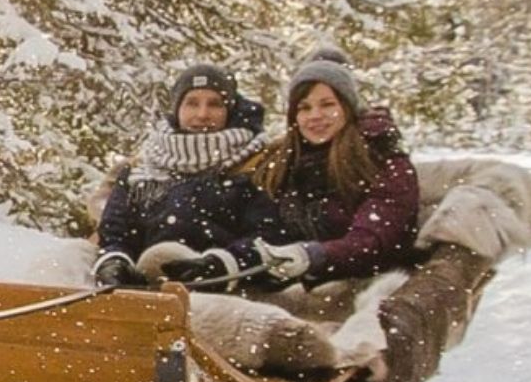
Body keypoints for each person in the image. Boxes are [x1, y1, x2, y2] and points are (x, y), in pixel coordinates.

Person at [136, 45, 420, 288]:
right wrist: (225, 261)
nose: (315, 116)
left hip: (360, 283)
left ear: (347, 106)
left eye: (327, 105)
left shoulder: (384, 161)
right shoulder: (282, 159)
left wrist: (312, 255)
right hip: (290, 281)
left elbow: (372, 240)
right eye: (304, 108)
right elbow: (254, 219)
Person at [90, 61, 265, 287]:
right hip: (138, 283)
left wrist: (219, 264)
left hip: (219, 284)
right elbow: (115, 232)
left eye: (214, 104)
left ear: (229, 111)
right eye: (192, 103)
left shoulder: (252, 165)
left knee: (163, 255)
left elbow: (265, 235)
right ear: (177, 109)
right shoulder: (142, 168)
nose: (202, 114)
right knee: (69, 256)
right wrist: (114, 262)